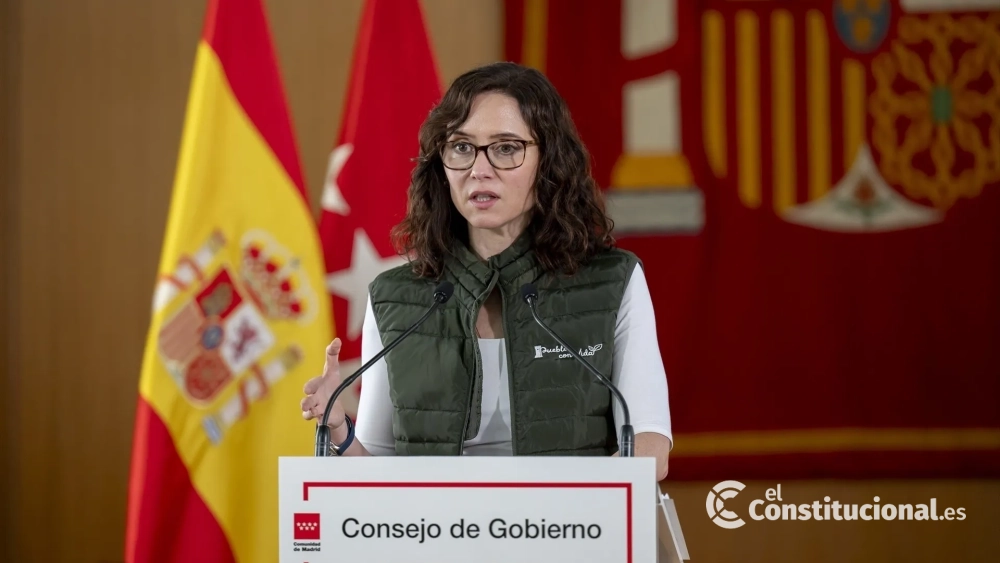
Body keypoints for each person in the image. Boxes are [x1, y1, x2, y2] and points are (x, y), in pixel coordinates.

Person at [300, 61, 673, 480]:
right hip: (436, 522)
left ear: (548, 161)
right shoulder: (396, 297)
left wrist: (562, 510)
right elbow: (379, 473)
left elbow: (649, 448)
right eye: (461, 147)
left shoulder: (612, 282)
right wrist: (338, 429)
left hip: (569, 521)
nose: (479, 170)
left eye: (506, 148)